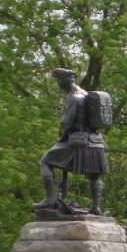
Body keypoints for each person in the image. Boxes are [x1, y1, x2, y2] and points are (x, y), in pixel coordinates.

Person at [34, 68, 109, 215]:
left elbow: (66, 123)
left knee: (45, 161)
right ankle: (96, 207)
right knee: (95, 175)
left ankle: (50, 200)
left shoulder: (74, 97)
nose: (58, 85)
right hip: (96, 141)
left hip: (78, 141)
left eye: (58, 82)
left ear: (63, 81)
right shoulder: (87, 95)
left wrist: (61, 139)